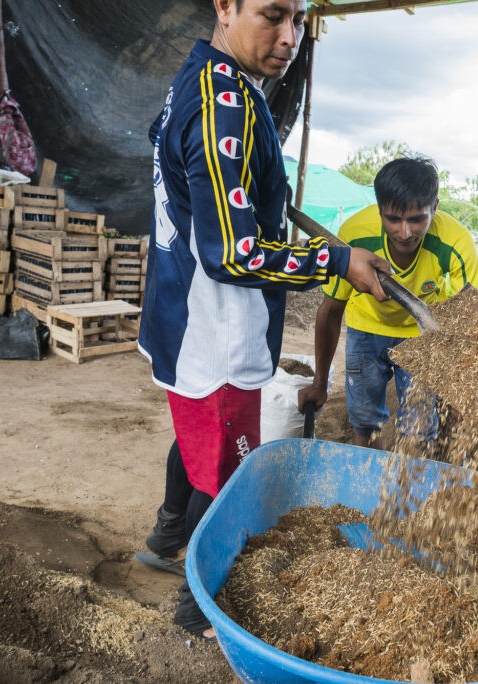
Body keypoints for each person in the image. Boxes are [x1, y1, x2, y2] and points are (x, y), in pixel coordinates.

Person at [136, 0, 392, 641]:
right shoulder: (224, 100)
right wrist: (334, 259)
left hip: (178, 315)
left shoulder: (199, 78)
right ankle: (196, 618)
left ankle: (167, 535)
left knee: (196, 438)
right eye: (272, 16)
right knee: (226, 477)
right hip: (215, 328)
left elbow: (206, 193)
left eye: (299, 21)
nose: (290, 38)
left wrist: (265, 202)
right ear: (224, 6)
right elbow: (231, 253)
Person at [296, 156, 478, 449]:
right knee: (365, 422)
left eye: (417, 219)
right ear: (379, 209)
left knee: (420, 430)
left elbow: (469, 321)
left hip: (422, 337)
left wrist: (459, 391)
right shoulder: (355, 235)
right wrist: (319, 383)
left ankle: (409, 491)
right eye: (393, 219)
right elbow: (331, 311)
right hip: (366, 330)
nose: (404, 233)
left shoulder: (455, 242)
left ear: (434, 207)